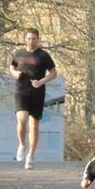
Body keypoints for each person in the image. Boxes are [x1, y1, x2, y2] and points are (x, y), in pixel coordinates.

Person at [9, 28, 58, 169]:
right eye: (29, 38)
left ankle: (30, 155)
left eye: (34, 39)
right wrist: (14, 73)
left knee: (34, 125)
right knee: (22, 119)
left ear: (38, 39)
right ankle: (22, 145)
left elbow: (54, 73)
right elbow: (11, 66)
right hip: (21, 90)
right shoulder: (18, 53)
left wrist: (41, 81)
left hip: (37, 92)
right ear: (25, 39)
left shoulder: (43, 55)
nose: (31, 41)